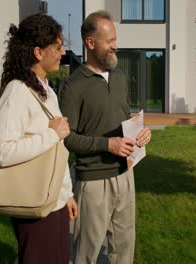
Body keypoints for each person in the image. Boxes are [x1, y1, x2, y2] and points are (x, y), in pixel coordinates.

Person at [59, 10, 151, 264]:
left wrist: (140, 133)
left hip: (125, 174)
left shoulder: (120, 78)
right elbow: (67, 138)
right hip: (93, 182)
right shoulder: (73, 85)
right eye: (109, 41)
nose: (115, 46)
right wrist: (106, 144)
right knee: (85, 253)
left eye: (115, 40)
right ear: (90, 43)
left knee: (124, 249)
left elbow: (123, 121)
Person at [0, 13, 77, 264]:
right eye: (58, 47)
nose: (63, 53)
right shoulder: (17, 90)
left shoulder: (47, 90)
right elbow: (3, 151)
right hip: (33, 204)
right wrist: (52, 133)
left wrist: (67, 194)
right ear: (38, 52)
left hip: (53, 202)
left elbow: (56, 151)